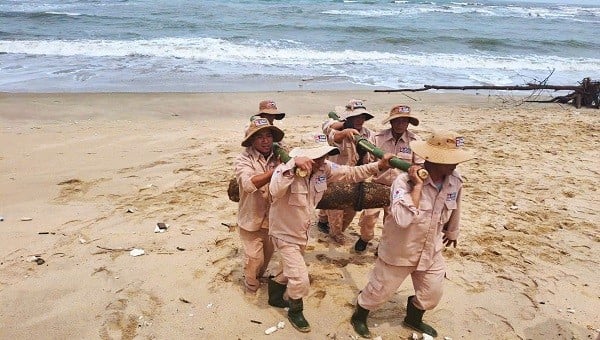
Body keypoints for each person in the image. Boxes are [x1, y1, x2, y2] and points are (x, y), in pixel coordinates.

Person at [351, 130, 475, 338]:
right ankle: (360, 315)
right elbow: (402, 219)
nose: (456, 164)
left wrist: (452, 231)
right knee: (378, 292)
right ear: (435, 160)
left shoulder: (454, 179)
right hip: (400, 249)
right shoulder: (403, 183)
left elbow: (456, 205)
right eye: (451, 160)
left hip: (430, 249)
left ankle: (413, 318)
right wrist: (417, 187)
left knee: (432, 294)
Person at [267, 134, 394, 333]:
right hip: (283, 233)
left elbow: (351, 173)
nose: (321, 161)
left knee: (289, 269)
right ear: (305, 157)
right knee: (300, 279)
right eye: (316, 158)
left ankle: (274, 295)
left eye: (324, 157)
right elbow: (275, 190)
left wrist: (379, 166)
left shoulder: (323, 169)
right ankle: (295, 311)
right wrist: (292, 165)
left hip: (302, 233)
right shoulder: (283, 170)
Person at [354, 105, 424, 253]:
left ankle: (383, 246)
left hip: (401, 190)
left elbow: (418, 165)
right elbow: (368, 162)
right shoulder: (378, 138)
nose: (400, 124)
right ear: (391, 122)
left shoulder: (415, 141)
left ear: (408, 123)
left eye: (404, 121)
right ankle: (365, 238)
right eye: (397, 121)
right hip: (377, 185)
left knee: (392, 222)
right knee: (368, 218)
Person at [234, 117, 284, 294]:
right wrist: (277, 171)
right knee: (254, 258)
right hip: (251, 218)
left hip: (273, 220)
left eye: (269, 136)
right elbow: (248, 184)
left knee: (266, 258)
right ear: (251, 140)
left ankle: (257, 276)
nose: (265, 140)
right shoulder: (243, 159)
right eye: (259, 137)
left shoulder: (280, 156)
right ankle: (251, 285)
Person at [321, 99, 375, 244]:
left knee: (351, 210)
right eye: (355, 117)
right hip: (337, 177)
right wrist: (345, 132)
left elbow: (373, 156)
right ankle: (334, 231)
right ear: (348, 118)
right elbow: (333, 136)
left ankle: (327, 221)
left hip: (358, 177)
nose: (359, 120)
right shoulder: (336, 130)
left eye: (362, 117)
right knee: (335, 211)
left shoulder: (369, 134)